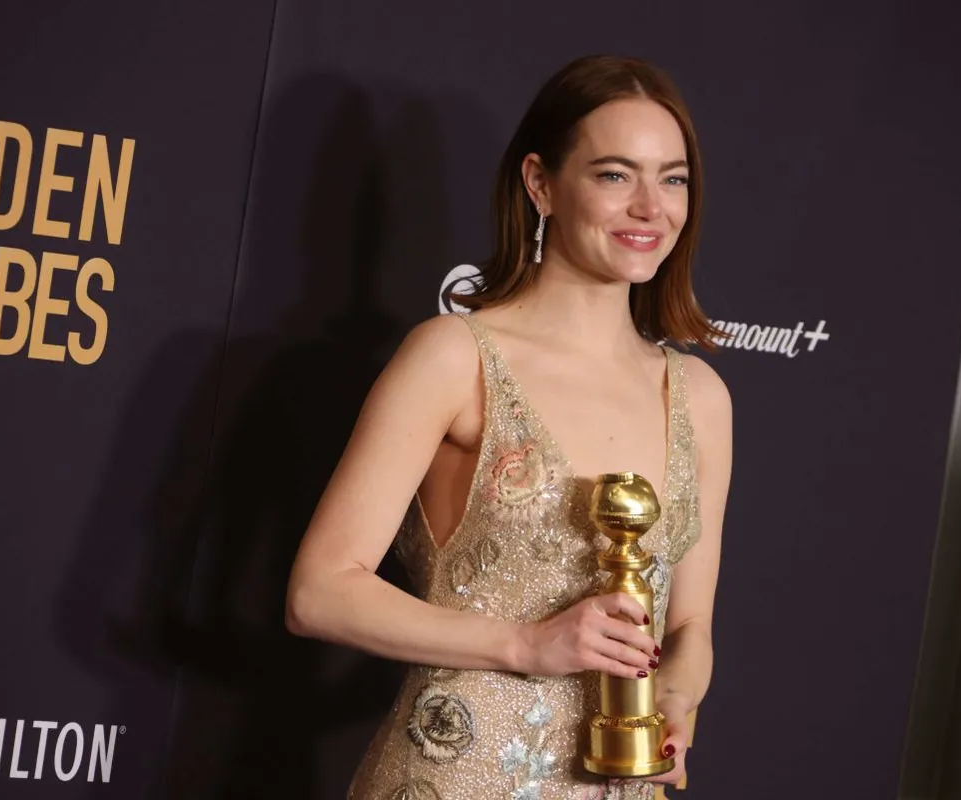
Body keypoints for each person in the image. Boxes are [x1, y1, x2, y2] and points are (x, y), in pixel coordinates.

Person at [286, 54, 733, 800]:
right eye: (615, 175)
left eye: (673, 178)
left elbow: (688, 625)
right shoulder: (454, 358)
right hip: (453, 779)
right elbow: (319, 592)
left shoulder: (699, 395)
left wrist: (677, 703)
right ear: (539, 184)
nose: (651, 207)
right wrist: (525, 643)